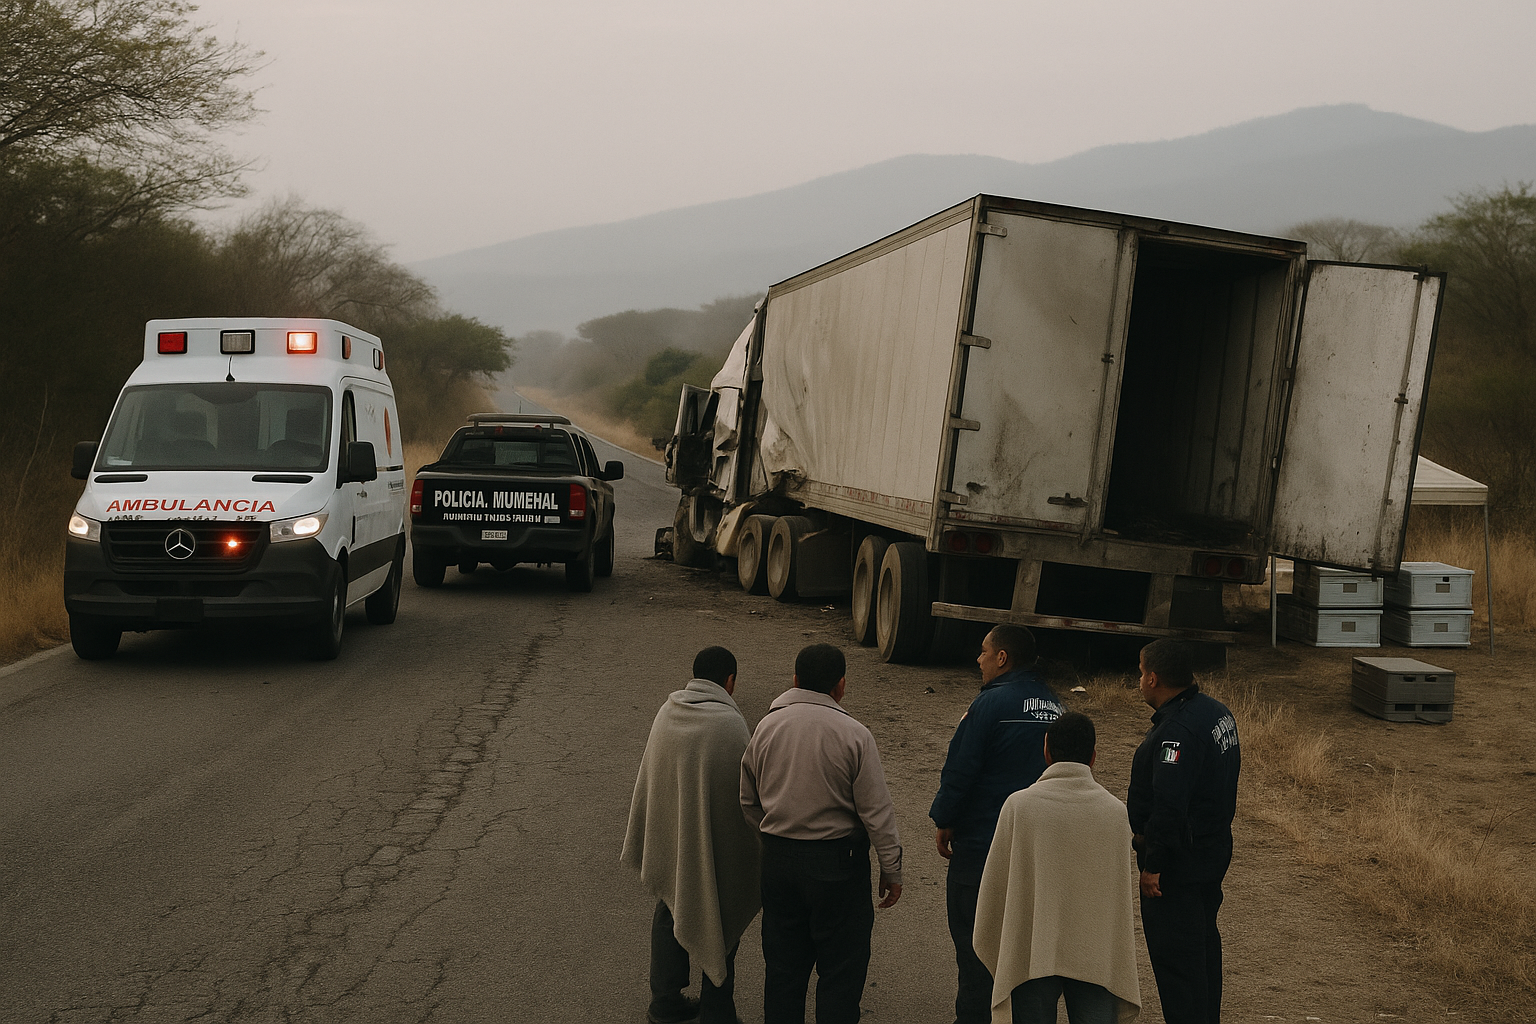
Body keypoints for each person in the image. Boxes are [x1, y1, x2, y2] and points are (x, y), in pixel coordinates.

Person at [740, 643, 903, 1024]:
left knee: (783, 970)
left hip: (778, 862)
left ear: (795, 680)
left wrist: (772, 840)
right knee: (841, 973)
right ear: (841, 686)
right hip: (837, 868)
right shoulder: (855, 735)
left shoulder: (766, 727)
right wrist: (891, 870)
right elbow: (876, 812)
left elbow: (748, 799)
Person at [930, 624, 1065, 1024]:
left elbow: (961, 769)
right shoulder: (1056, 707)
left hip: (984, 848)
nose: (979, 659)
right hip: (1038, 853)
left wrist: (946, 818)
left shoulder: (988, 706)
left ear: (1002, 658)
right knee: (1025, 951)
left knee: (975, 947)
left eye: (984, 652)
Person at [623, 646, 762, 1024]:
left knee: (671, 905)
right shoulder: (730, 725)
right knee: (720, 912)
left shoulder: (668, 712)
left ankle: (664, 1002)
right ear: (729, 681)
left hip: (673, 839)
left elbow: (652, 782)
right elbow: (746, 795)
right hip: (716, 847)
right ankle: (717, 1012)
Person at [973, 712, 1141, 1023]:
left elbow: (994, 891)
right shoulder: (1117, 815)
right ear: (1093, 757)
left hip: (1032, 954)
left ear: (1046, 750)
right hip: (1097, 956)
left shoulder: (1019, 807)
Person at [1127, 639, 1241, 1024]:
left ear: (1154, 678)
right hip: (1211, 850)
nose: (1139, 680)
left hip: (1180, 864)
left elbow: (1169, 806)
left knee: (1179, 964)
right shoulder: (1216, 712)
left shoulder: (1175, 733)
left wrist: (1153, 864)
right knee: (1204, 948)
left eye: (1141, 673)